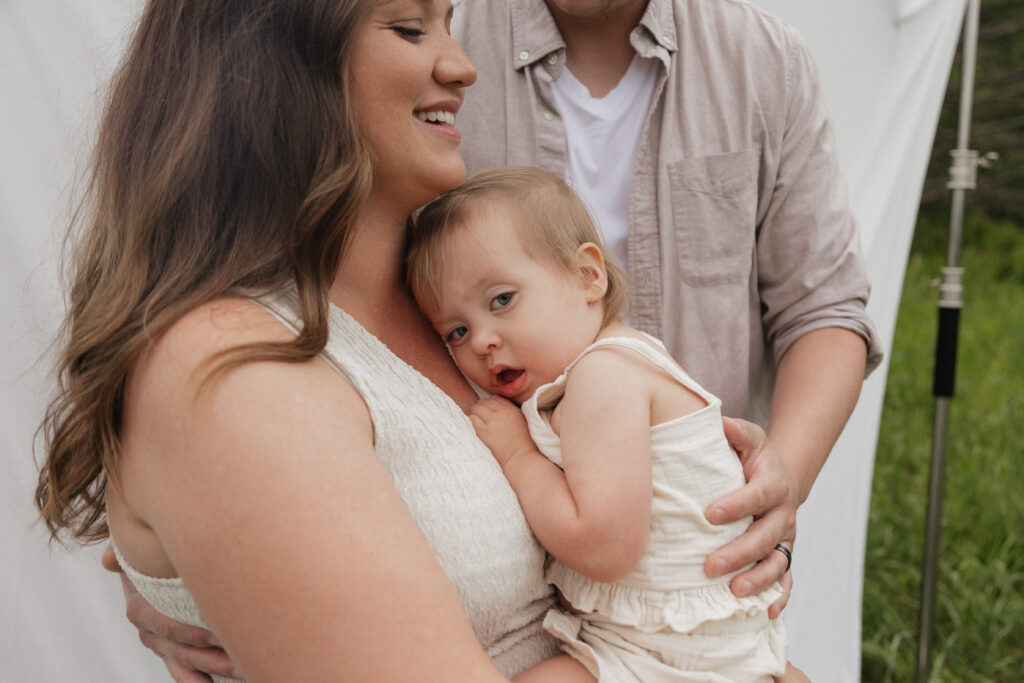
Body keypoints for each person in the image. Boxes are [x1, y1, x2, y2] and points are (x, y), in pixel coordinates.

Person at [34, 0, 587, 680]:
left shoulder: (465, 297)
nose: (462, 65)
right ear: (272, 58)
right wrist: (676, 659)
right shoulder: (227, 367)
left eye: (449, 22)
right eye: (411, 28)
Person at [452, 0, 883, 608]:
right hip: (491, 557)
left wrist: (774, 489)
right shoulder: (442, 46)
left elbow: (823, 310)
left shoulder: (764, 60)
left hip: (699, 559)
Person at [406, 165, 789, 681]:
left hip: (672, 652)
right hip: (684, 637)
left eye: (502, 300)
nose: (481, 341)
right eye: (455, 330)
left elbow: (604, 546)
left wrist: (518, 456)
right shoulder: (611, 367)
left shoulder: (603, 377)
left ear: (588, 276)